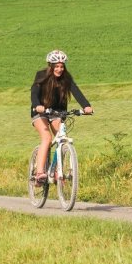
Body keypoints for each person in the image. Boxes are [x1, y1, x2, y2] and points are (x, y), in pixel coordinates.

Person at [30, 49, 93, 181]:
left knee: (62, 137)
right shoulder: (41, 75)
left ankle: (57, 170)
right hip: (40, 112)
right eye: (57, 66)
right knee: (47, 138)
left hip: (57, 111)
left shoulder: (66, 78)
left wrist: (86, 106)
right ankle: (40, 172)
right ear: (51, 66)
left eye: (62, 66)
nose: (59, 69)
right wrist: (37, 105)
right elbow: (34, 92)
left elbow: (76, 92)